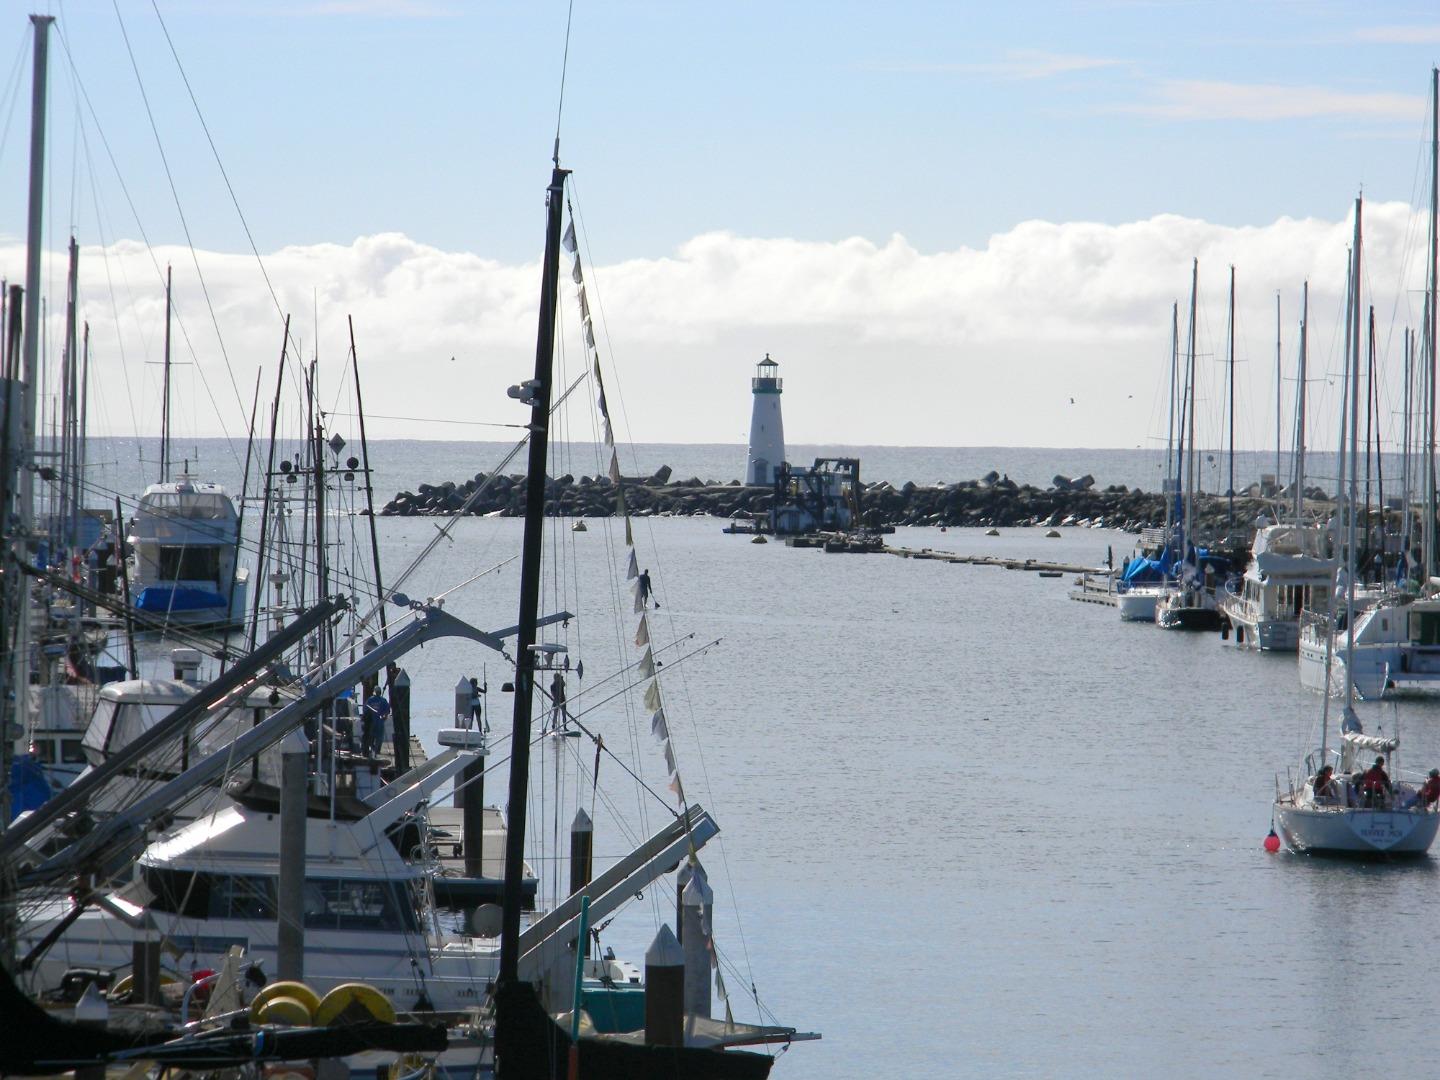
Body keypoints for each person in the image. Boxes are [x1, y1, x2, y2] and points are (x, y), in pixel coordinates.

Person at [362, 689, 392, 757]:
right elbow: (387, 710)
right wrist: (385, 716)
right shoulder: (383, 700)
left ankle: (372, 748)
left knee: (371, 736)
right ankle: (377, 750)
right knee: (379, 737)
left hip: (371, 721)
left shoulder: (370, 700)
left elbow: (365, 710)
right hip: (380, 721)